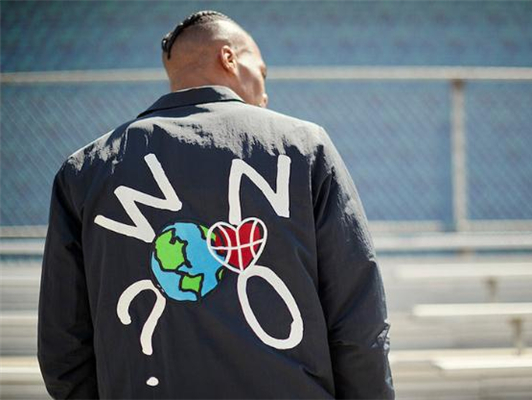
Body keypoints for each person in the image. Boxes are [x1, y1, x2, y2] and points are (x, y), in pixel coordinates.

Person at [38, 10, 394, 399]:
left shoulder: (86, 171)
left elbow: (63, 343)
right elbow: (358, 318)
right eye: (262, 72)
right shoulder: (304, 147)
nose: (265, 92)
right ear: (228, 58)